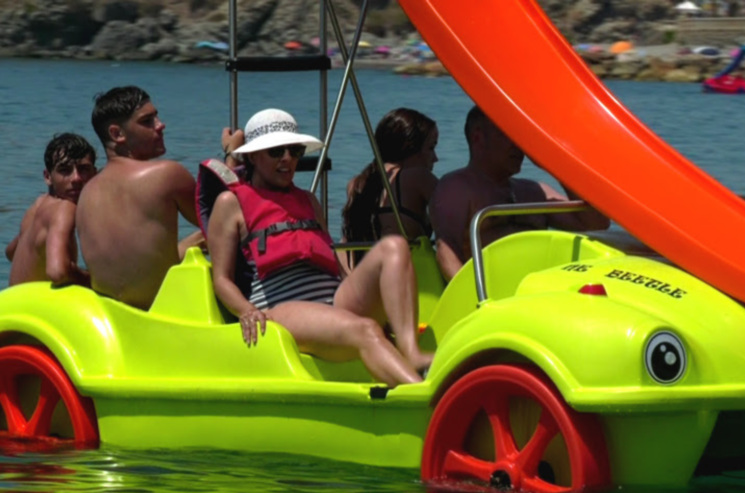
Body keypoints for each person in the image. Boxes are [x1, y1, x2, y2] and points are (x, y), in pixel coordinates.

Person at [206, 108, 433, 388]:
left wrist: (369, 297)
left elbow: (334, 263)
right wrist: (246, 311)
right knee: (365, 329)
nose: (287, 158)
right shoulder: (230, 203)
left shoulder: (309, 201)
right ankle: (424, 398)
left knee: (395, 246)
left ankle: (410, 352)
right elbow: (221, 279)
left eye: (294, 150)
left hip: (335, 301)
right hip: (282, 307)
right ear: (253, 156)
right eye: (276, 151)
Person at [429, 105, 610, 281]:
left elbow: (596, 223)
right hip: (487, 296)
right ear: (478, 138)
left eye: (521, 136)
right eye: (510, 134)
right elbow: (446, 250)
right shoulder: (457, 188)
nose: (520, 144)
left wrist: (556, 165)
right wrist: (474, 298)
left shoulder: (535, 191)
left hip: (535, 293)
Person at [76, 85, 202, 310]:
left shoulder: (86, 193)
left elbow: (136, 261)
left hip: (116, 319)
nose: (161, 125)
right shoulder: (166, 174)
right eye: (147, 121)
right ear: (117, 134)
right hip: (163, 314)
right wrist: (232, 159)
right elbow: (224, 220)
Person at [341, 107, 438, 268]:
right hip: (412, 279)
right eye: (431, 147)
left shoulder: (357, 184)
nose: (436, 158)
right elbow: (457, 223)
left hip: (370, 279)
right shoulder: (418, 178)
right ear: (409, 148)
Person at [6, 133, 97, 287]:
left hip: (11, 304)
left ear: (94, 173)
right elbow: (58, 272)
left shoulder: (38, 205)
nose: (76, 178)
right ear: (48, 177)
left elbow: (11, 252)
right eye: (65, 170)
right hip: (33, 309)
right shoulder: (64, 209)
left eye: (83, 169)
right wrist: (95, 281)